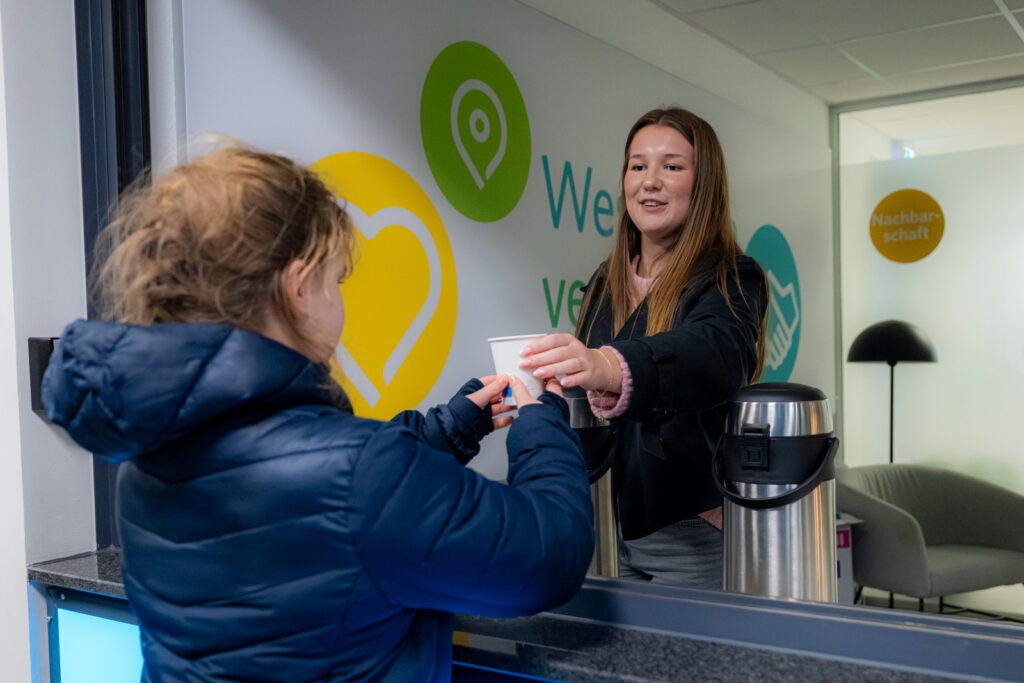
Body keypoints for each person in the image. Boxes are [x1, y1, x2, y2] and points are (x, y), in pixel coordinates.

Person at [42, 145, 594, 681]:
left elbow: (313, 505)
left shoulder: (146, 459)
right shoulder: (362, 475)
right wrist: (541, 422)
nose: (340, 299)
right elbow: (545, 556)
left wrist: (447, 430)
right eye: (336, 279)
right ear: (299, 286)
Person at [520, 107, 767, 589]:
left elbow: (714, 353)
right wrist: (539, 396)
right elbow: (590, 398)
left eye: (672, 167)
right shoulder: (605, 280)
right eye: (638, 166)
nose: (650, 181)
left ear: (704, 184)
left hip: (689, 529)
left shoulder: (732, 276)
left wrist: (607, 364)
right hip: (606, 522)